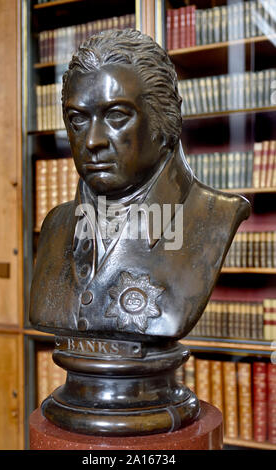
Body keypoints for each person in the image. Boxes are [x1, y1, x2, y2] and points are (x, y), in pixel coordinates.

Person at [30, 29, 250, 341]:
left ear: (166, 119)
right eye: (78, 119)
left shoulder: (214, 216)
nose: (93, 141)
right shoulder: (57, 225)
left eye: (117, 116)